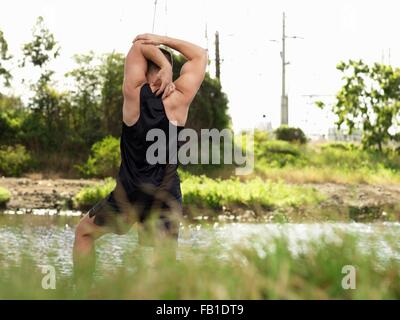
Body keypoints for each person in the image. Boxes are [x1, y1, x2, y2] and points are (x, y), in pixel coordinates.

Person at [73, 34, 207, 282]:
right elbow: (200, 54)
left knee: (84, 233)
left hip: (130, 194)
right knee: (162, 262)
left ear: (146, 71)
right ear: (165, 74)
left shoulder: (134, 94)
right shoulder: (180, 98)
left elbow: (138, 45)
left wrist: (163, 64)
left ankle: (80, 291)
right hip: (166, 194)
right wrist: (163, 41)